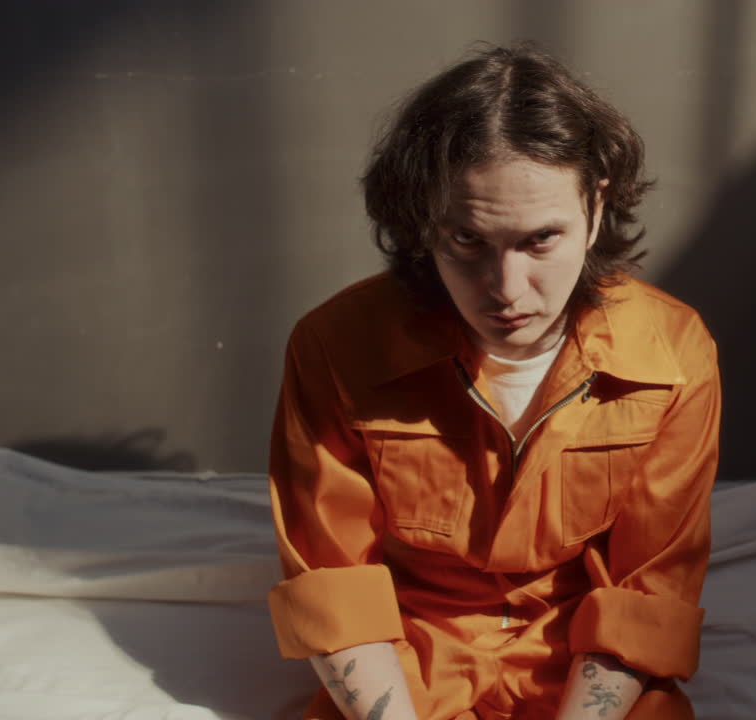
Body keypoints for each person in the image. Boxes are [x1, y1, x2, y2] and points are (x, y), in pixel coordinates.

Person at [267, 43, 721, 720]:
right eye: (468, 241)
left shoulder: (673, 353)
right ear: (426, 220)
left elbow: (647, 596)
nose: (506, 291)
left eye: (540, 240)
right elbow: (335, 589)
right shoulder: (334, 347)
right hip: (408, 655)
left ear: (596, 209)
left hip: (579, 657)